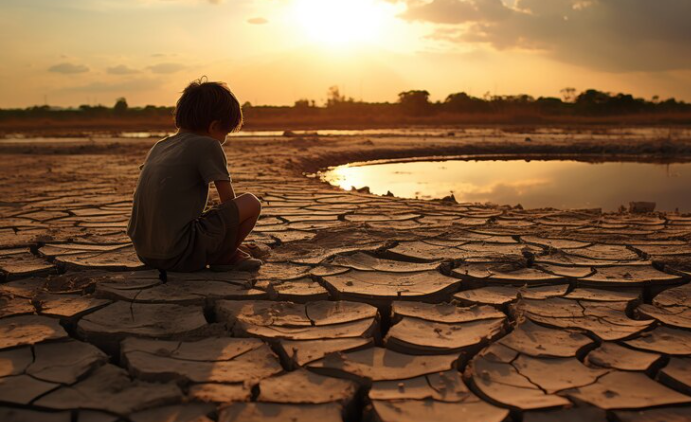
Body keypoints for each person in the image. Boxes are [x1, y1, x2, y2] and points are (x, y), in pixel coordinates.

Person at [127, 78, 262, 272]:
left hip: (145, 252)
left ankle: (221, 250)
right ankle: (226, 255)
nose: (223, 140)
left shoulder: (161, 146)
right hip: (178, 254)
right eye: (225, 133)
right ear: (214, 126)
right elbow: (228, 201)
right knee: (251, 202)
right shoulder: (208, 145)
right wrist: (227, 241)